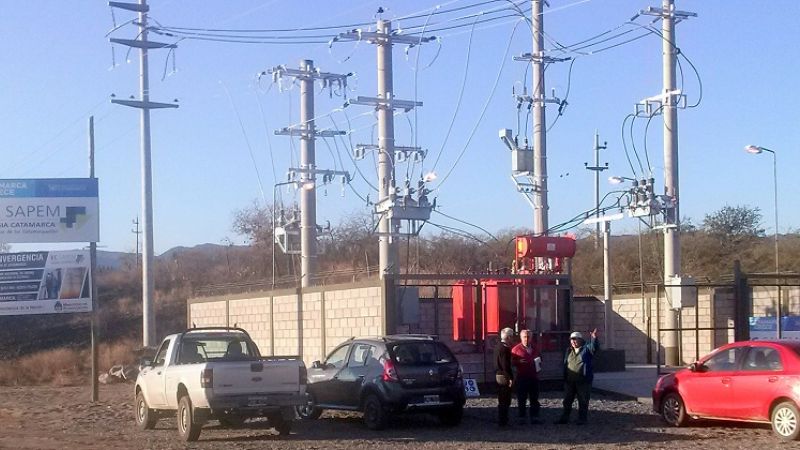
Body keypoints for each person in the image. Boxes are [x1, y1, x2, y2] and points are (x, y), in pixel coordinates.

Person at [555, 328, 599, 425]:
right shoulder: (568, 350)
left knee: (583, 401)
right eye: (572, 339)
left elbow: (594, 348)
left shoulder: (586, 349)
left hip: (583, 381)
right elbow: (565, 363)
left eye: (575, 339)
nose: (573, 341)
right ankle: (565, 418)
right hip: (570, 381)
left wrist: (594, 338)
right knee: (567, 400)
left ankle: (582, 419)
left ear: (580, 340)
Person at [512, 329, 541, 424]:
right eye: (525, 337)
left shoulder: (535, 348)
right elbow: (511, 362)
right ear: (521, 338)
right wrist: (518, 362)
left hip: (533, 377)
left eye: (528, 337)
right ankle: (522, 417)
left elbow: (540, 358)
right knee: (522, 398)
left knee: (534, 398)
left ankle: (534, 417)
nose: (526, 339)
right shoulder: (516, 349)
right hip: (522, 377)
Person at [494, 327, 515, 427]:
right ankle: (503, 421)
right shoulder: (505, 349)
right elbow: (505, 365)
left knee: (501, 398)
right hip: (503, 375)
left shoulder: (498, 347)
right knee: (505, 399)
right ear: (509, 337)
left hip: (498, 374)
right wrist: (510, 378)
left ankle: (502, 420)